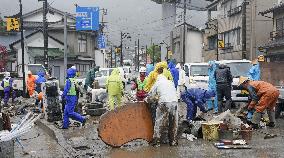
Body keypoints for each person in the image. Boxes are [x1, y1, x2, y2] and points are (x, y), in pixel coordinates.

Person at [148, 67, 178, 147]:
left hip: (164, 102)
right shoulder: (170, 82)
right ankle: (173, 141)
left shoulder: (157, 83)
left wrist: (150, 100)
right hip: (174, 102)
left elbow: (150, 95)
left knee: (159, 121)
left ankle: (156, 141)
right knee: (173, 122)